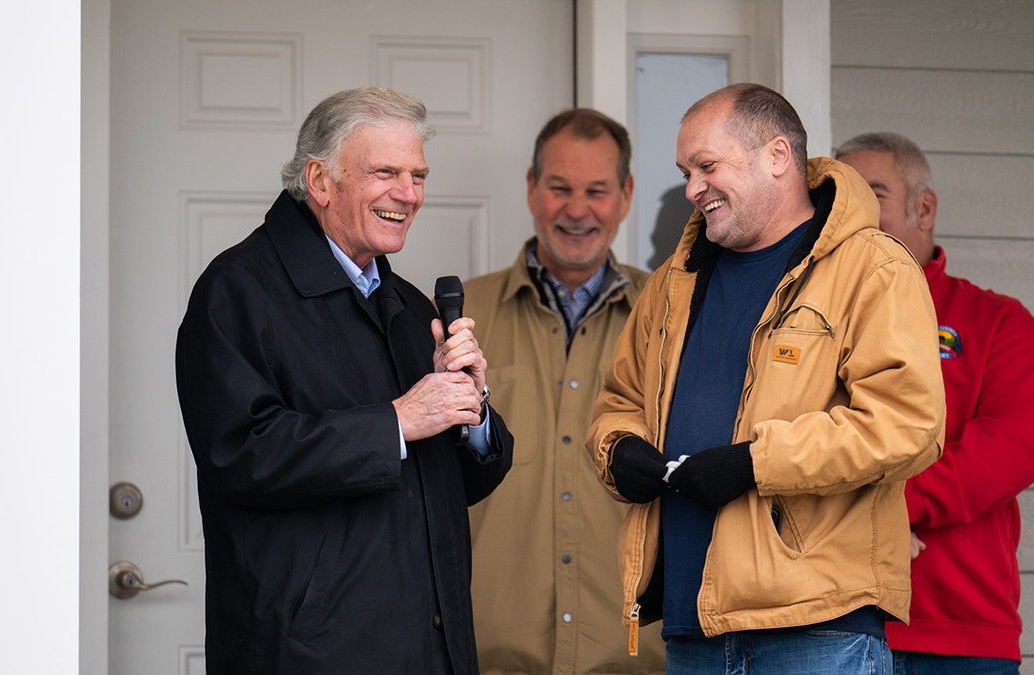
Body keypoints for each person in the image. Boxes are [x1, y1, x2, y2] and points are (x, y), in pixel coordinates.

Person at [585, 83, 947, 673]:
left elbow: (908, 424)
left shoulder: (873, 267)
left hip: (818, 627)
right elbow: (619, 402)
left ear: (777, 156)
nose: (692, 189)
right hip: (691, 625)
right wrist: (620, 448)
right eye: (686, 173)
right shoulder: (672, 282)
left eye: (706, 167)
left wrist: (753, 463)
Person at [174, 87, 513, 674]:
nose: (408, 194)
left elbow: (451, 485)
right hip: (309, 655)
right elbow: (240, 456)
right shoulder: (237, 291)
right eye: (386, 173)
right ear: (320, 181)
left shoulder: (410, 306)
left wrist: (470, 409)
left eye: (417, 176)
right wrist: (397, 423)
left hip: (432, 651)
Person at [836, 132, 1034, 674]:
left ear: (924, 208)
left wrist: (892, 505)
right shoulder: (809, 327)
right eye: (843, 200)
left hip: (959, 632)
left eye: (874, 195)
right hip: (827, 627)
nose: (854, 214)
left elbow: (1011, 448)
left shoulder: (999, 322)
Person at [465, 109, 665, 674]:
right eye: (560, 188)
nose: (577, 210)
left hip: (634, 657)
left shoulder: (673, 318)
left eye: (596, 191)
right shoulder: (458, 319)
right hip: (490, 656)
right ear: (532, 188)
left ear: (625, 195)